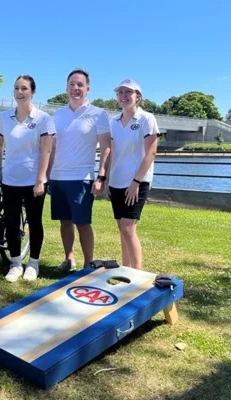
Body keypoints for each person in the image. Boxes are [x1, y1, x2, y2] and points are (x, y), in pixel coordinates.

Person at [0, 75, 55, 282]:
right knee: (11, 222)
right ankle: (16, 263)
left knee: (35, 222)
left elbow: (46, 151)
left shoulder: (43, 118)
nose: (20, 92)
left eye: (24, 88)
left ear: (33, 92)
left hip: (33, 181)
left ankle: (33, 264)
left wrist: (41, 179)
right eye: (17, 88)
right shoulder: (4, 118)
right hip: (10, 179)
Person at [48, 69, 111, 272]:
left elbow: (106, 147)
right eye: (72, 84)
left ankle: (88, 265)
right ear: (67, 88)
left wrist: (101, 176)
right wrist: (46, 176)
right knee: (65, 222)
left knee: (83, 223)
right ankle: (69, 259)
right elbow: (52, 147)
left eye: (80, 85)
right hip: (58, 178)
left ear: (87, 89)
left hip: (82, 178)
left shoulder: (98, 114)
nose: (76, 88)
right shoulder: (57, 115)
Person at [99, 79, 159, 269]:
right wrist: (107, 178)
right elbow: (112, 151)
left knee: (128, 228)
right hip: (116, 181)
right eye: (120, 92)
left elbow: (151, 152)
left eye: (128, 92)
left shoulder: (146, 119)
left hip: (136, 182)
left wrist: (136, 182)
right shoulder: (113, 122)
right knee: (122, 229)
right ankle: (125, 270)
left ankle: (137, 274)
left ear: (137, 96)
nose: (124, 96)